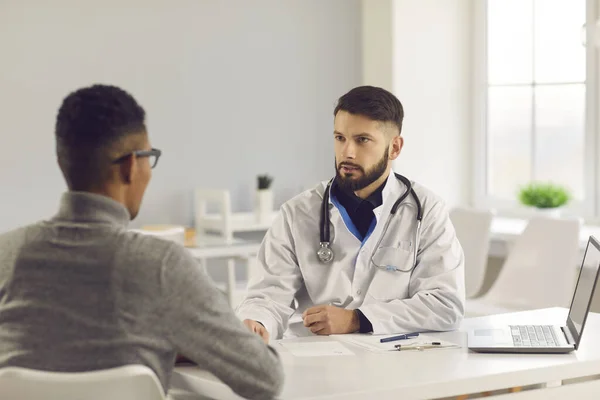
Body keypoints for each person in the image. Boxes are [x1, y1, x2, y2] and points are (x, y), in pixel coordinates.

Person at [0, 84, 283, 399]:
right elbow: (265, 378)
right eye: (150, 157)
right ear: (131, 166)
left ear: (62, 161)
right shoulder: (161, 265)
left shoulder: (6, 254)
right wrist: (176, 342)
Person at [237, 85, 465, 342]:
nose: (347, 152)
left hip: (396, 359)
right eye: (340, 138)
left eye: (362, 140)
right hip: (320, 359)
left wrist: (357, 319)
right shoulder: (297, 213)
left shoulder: (427, 210)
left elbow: (446, 305)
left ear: (395, 148)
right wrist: (258, 322)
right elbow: (268, 295)